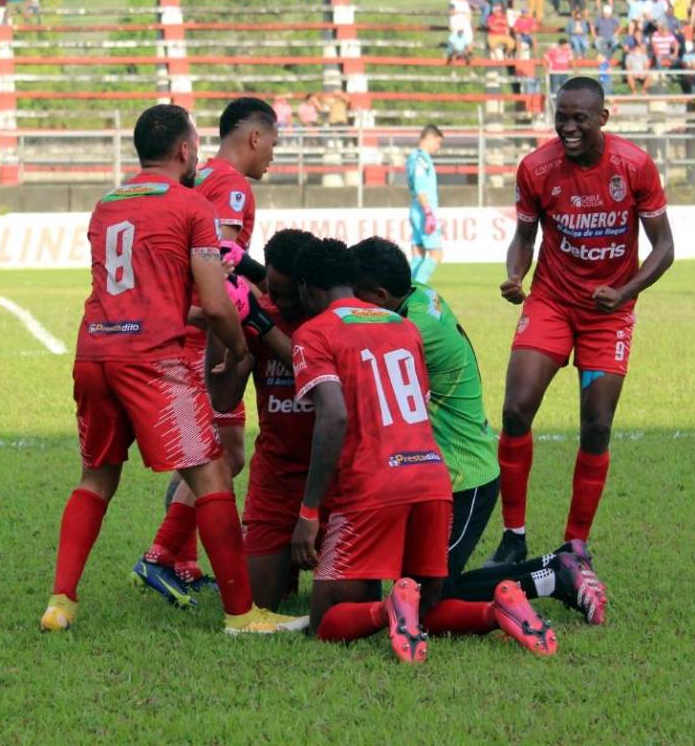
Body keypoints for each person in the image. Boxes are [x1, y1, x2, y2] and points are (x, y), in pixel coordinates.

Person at [40, 103, 306, 636]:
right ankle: (241, 615)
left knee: (96, 477)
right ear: (184, 150)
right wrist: (238, 347)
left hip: (94, 352)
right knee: (212, 473)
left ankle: (61, 602)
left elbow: (136, 288)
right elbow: (217, 302)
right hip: (153, 359)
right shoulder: (191, 207)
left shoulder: (106, 205)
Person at [351, 236, 597, 639]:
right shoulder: (417, 295)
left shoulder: (411, 328)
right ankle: (556, 567)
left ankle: (553, 574)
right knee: (416, 587)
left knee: (424, 597)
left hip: (465, 477)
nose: (352, 306)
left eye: (357, 298)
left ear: (380, 295)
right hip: (441, 472)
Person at [485, 76, 675, 567]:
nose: (568, 127)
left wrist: (625, 292)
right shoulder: (536, 168)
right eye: (561, 117)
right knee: (515, 411)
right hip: (550, 302)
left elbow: (665, 247)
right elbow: (524, 238)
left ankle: (574, 545)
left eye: (579, 118)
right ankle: (513, 537)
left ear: (602, 119)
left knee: (596, 426)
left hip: (608, 313)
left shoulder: (634, 165)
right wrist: (515, 274)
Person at [132, 98, 279, 600]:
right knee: (226, 455)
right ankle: (160, 555)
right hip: (208, 334)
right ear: (255, 137)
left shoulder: (204, 175)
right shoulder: (233, 186)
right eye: (273, 144)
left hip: (187, 326)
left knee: (200, 454)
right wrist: (265, 285)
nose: (272, 156)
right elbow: (221, 256)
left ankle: (183, 562)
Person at [287, 238, 454, 663]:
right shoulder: (403, 325)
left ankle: (387, 608)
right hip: (431, 479)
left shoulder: (314, 332)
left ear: (306, 287)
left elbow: (333, 416)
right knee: (426, 610)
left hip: (372, 485)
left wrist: (309, 511)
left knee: (326, 624)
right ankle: (495, 611)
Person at [204, 229, 318, 610]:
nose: (279, 302)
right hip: (276, 477)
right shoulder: (261, 312)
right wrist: (221, 318)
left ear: (308, 285)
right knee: (260, 601)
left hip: (333, 480)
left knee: (337, 608)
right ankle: (282, 561)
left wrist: (257, 321)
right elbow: (223, 399)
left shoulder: (329, 318)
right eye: (273, 290)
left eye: (288, 294)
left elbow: (309, 372)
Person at [406, 126, 444, 283]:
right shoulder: (422, 159)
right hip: (423, 210)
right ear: (429, 138)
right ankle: (416, 290)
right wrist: (428, 213)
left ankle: (402, 288)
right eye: (438, 142)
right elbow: (420, 187)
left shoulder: (413, 157)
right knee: (436, 254)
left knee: (418, 255)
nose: (438, 147)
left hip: (416, 208)